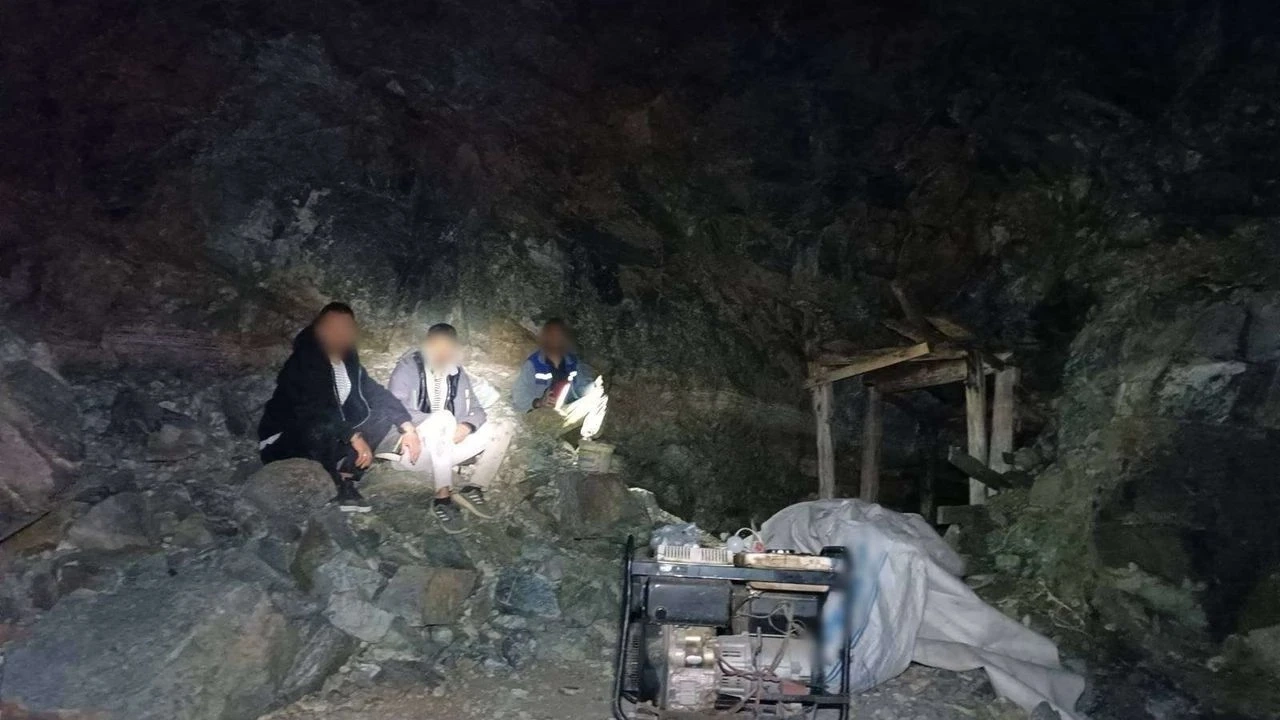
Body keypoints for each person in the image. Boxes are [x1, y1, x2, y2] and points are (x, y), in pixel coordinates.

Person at [258, 302, 421, 513]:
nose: (339, 334)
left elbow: (375, 392)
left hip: (331, 434)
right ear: (319, 328)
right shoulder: (304, 360)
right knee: (319, 425)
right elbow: (312, 409)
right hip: (286, 440)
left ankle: (347, 475)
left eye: (345, 328)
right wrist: (353, 436)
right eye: (332, 327)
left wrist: (407, 427)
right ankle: (334, 483)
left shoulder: (348, 360)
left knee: (382, 415)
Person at [382, 323, 512, 528]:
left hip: (445, 450)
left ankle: (474, 487)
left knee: (504, 426)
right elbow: (393, 407)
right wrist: (430, 424)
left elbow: (477, 409)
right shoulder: (407, 368)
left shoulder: (457, 374)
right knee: (443, 417)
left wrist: (467, 426)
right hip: (413, 452)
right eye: (436, 346)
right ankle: (442, 497)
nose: (442, 353)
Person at [511, 318, 608, 439]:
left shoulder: (573, 362)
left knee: (600, 395)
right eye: (552, 336)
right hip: (538, 416)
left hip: (562, 413)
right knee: (545, 416)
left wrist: (596, 386)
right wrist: (539, 402)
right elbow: (518, 397)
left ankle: (588, 440)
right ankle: (541, 438)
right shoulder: (533, 364)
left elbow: (582, 389)